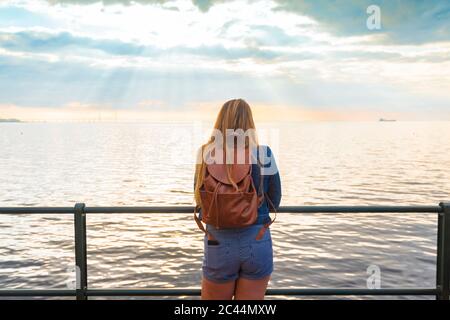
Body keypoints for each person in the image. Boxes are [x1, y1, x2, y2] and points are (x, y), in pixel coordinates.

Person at [194, 98, 281, 300]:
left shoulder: (206, 152)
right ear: (250, 123)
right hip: (256, 238)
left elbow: (200, 199)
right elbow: (274, 199)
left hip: (218, 242)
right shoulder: (263, 154)